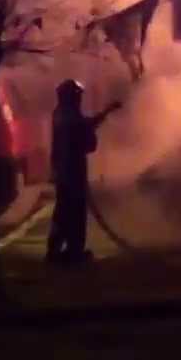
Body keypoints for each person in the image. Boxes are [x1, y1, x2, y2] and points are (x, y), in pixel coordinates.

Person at [46, 79, 121, 265]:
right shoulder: (68, 116)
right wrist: (107, 112)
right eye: (77, 96)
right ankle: (73, 252)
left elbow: (85, 126)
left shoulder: (62, 114)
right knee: (73, 214)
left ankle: (60, 251)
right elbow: (85, 131)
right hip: (72, 173)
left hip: (66, 173)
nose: (80, 99)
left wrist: (106, 112)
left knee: (64, 213)